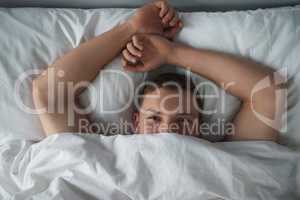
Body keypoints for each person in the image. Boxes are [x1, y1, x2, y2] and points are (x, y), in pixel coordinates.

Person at [32, 0, 284, 142]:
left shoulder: (222, 160)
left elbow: (267, 92)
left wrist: (171, 53)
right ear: (135, 122)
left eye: (184, 121)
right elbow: (49, 91)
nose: (168, 129)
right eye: (153, 118)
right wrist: (130, 28)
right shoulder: (104, 155)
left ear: (199, 127)